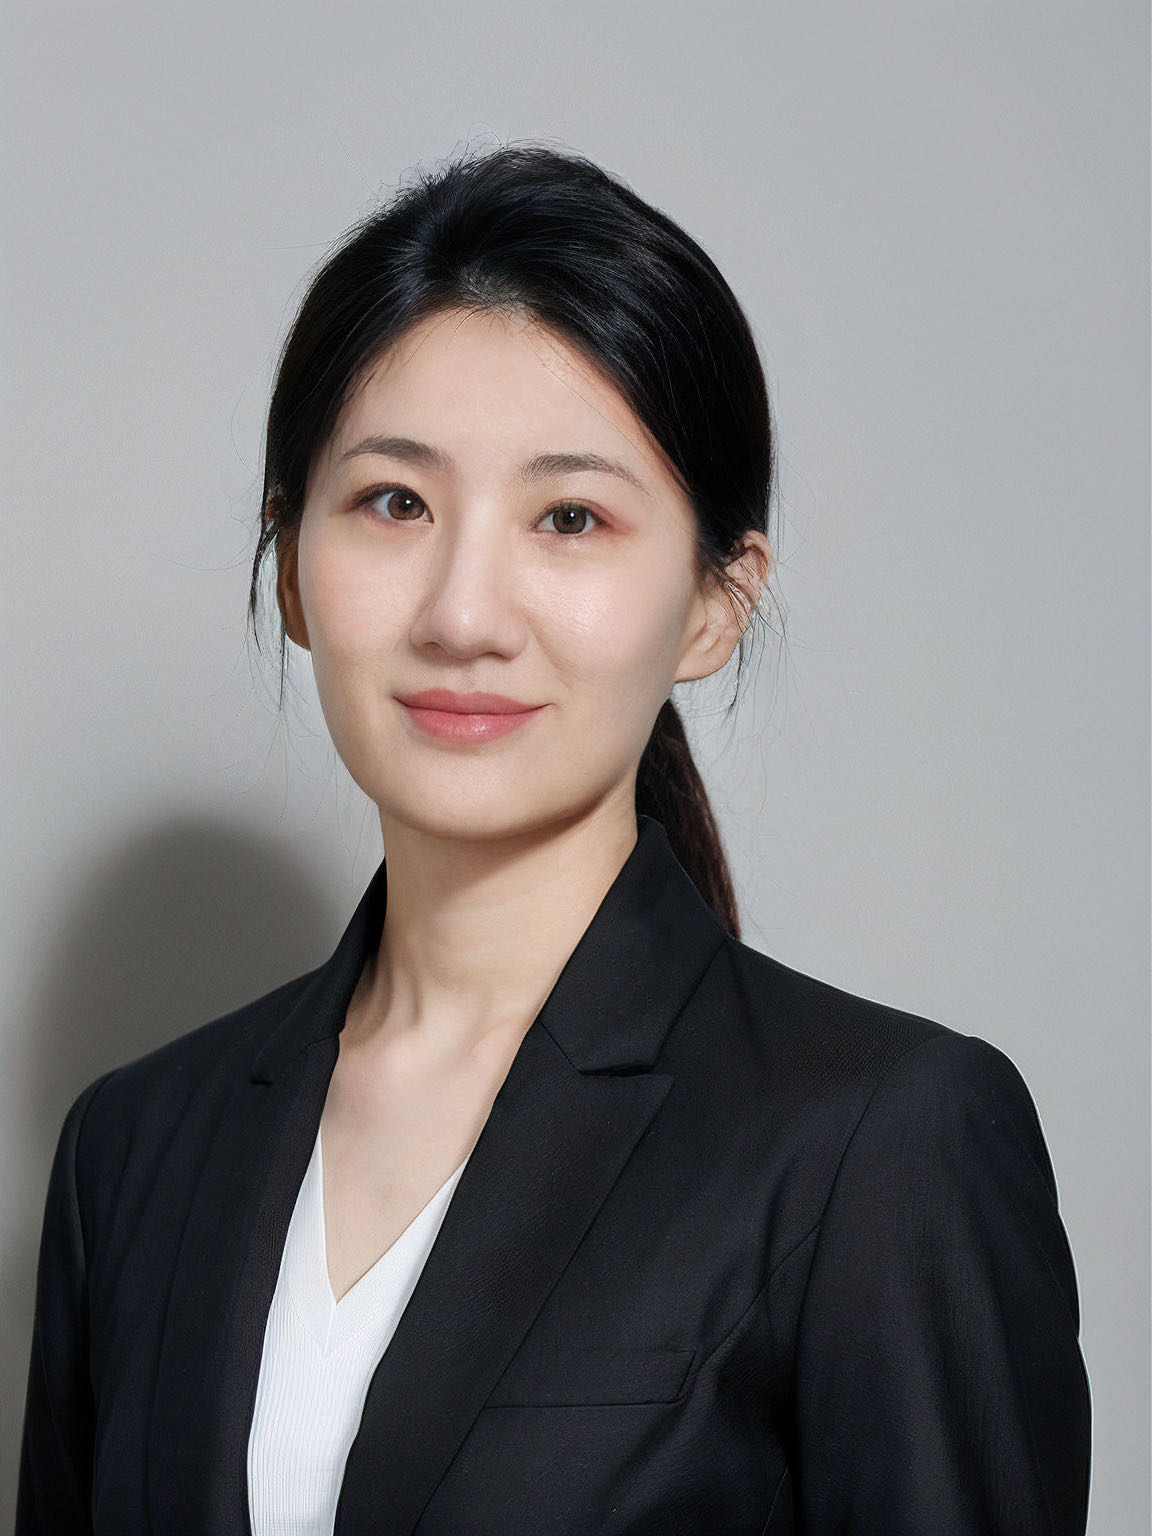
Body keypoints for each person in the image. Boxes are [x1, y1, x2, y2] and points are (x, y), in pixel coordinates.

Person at [17, 144, 1091, 1536]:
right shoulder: (134, 1151)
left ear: (715, 602)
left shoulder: (881, 1146)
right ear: (290, 569)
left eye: (570, 518)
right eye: (395, 503)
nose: (463, 614)